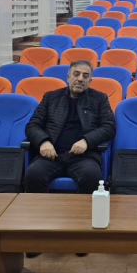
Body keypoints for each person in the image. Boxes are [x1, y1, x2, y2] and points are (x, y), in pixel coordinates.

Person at [24, 60, 116, 194]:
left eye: (85, 76)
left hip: (84, 156)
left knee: (91, 176)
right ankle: (42, 208)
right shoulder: (51, 97)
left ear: (90, 80)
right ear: (68, 77)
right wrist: (43, 141)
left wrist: (86, 140)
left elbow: (109, 127)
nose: (80, 79)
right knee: (33, 174)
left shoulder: (99, 99)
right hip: (52, 155)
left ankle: (82, 209)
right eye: (76, 74)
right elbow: (32, 125)